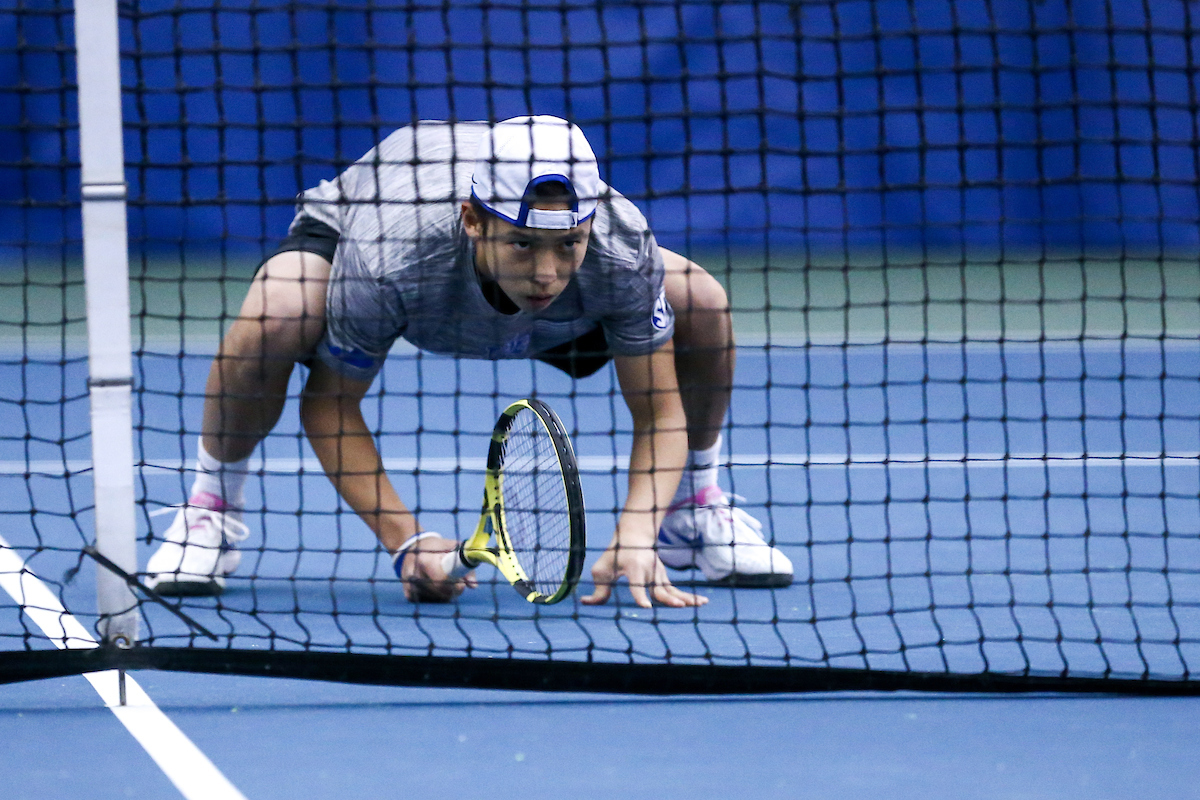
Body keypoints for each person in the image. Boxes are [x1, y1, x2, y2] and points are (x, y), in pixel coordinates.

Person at [145, 115, 793, 608]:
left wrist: (637, 529)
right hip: (373, 227)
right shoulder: (392, 256)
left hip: (537, 294)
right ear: (474, 222)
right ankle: (213, 507)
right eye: (523, 245)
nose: (547, 274)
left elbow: (659, 412)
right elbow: (331, 405)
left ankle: (690, 509)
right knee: (278, 313)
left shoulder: (620, 250)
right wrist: (407, 544)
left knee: (702, 301)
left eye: (567, 245)